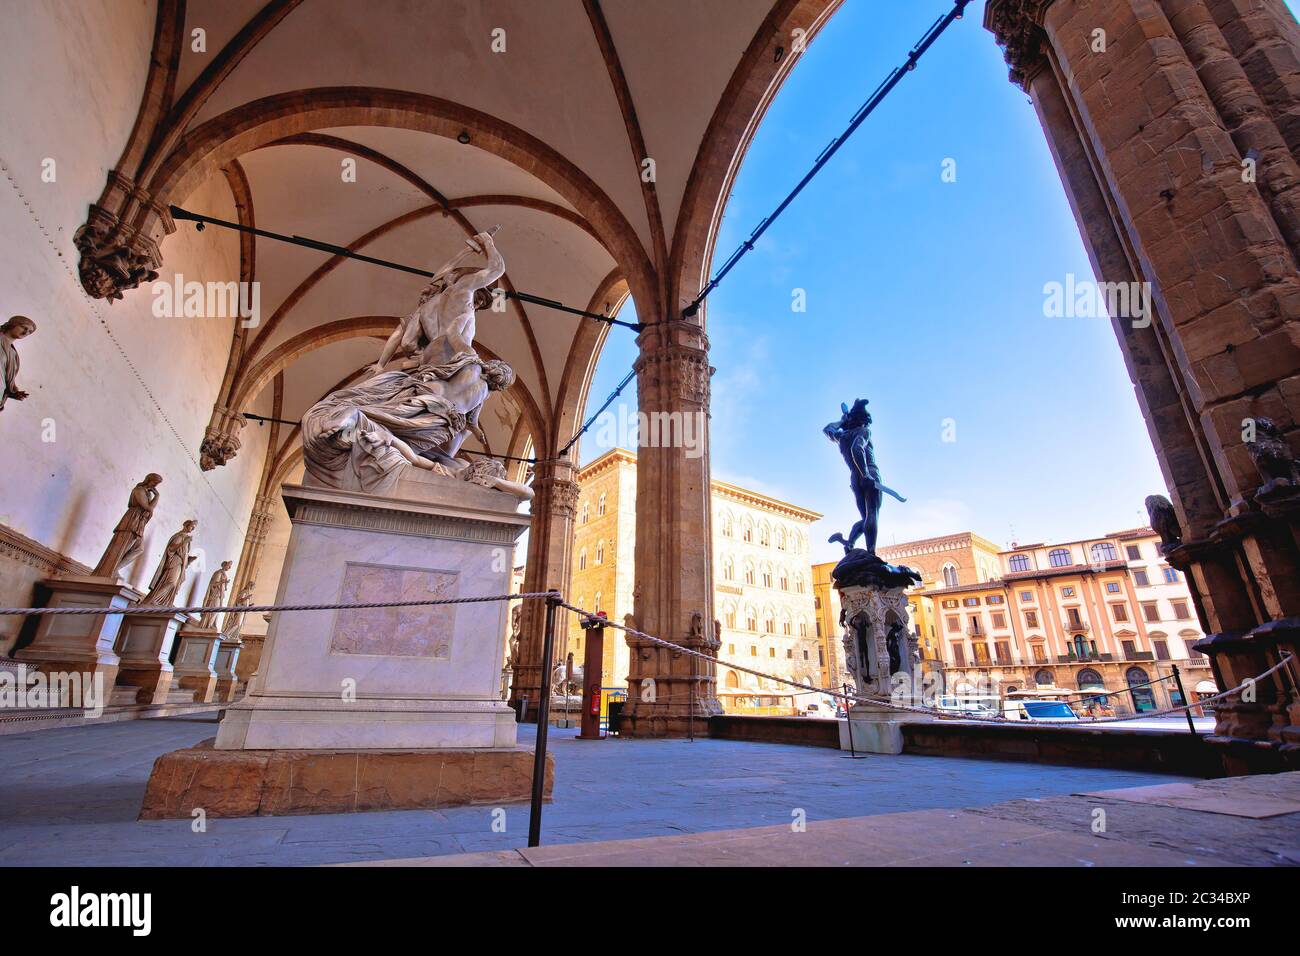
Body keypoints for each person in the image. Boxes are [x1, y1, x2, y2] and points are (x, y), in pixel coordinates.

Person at [1, 315, 36, 412]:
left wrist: (12, 392)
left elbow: (5, 378)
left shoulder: (14, 355)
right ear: (13, 324)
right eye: (24, 328)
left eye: (29, 332)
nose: (25, 333)